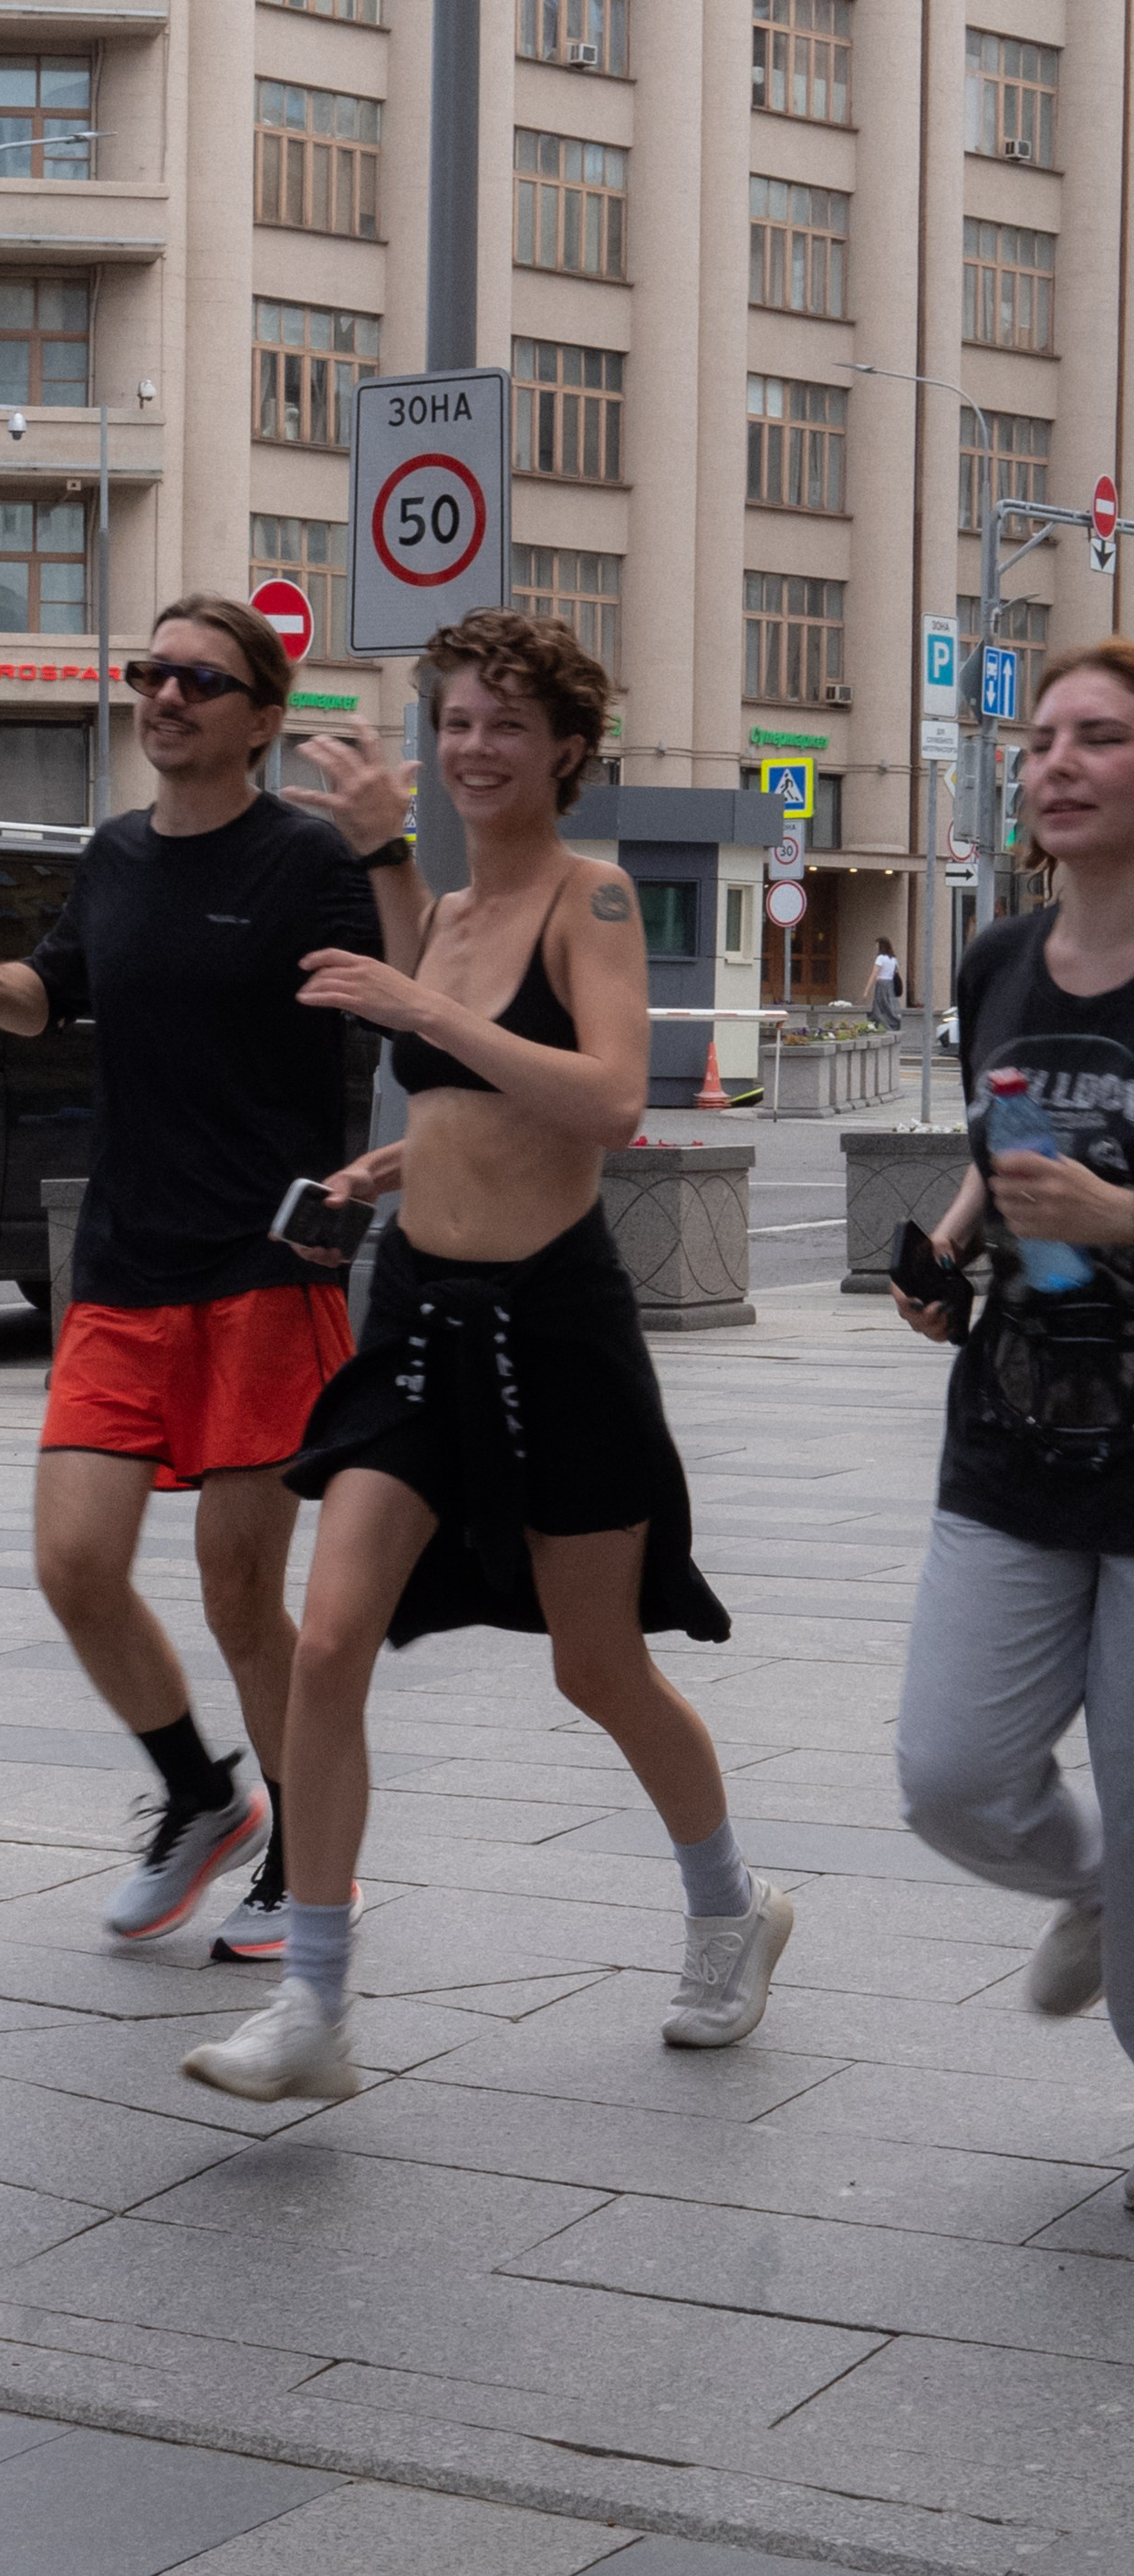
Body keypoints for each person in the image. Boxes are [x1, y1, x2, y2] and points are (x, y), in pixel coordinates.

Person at [183, 606, 791, 2103]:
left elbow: (601, 1101)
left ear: (567, 749)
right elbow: (453, 1068)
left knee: (599, 1663)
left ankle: (732, 1907)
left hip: (551, 1327)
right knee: (327, 1645)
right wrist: (398, 1163)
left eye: (505, 723)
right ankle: (315, 2005)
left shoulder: (589, 901)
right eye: (455, 720)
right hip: (416, 1318)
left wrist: (402, 1000)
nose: (472, 746)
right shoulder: (444, 912)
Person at [0, 598, 389, 1957]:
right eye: (151, 672)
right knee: (73, 1564)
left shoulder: (307, 860)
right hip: (125, 1262)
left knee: (242, 1590)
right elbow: (48, 993)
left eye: (200, 678)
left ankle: (310, 1854)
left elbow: (412, 985)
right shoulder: (115, 853)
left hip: (265, 1261)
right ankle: (199, 1796)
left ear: (260, 716)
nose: (166, 695)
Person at [892, 639, 1134, 2071]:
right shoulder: (996, 960)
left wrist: (1115, 1216)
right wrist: (951, 1244)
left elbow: (1091, 1189)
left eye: (1098, 737)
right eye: (1042, 740)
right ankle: (1097, 1886)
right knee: (952, 1776)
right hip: (1016, 1427)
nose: (1056, 763)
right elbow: (1012, 1133)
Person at [869, 940, 904, 1032]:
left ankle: (881, 1025)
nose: (876, 948)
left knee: (880, 1006)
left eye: (877, 946)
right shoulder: (893, 959)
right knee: (889, 1004)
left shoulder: (880, 958)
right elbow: (896, 972)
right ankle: (893, 1023)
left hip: (881, 983)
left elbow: (874, 973)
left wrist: (866, 990)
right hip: (890, 984)